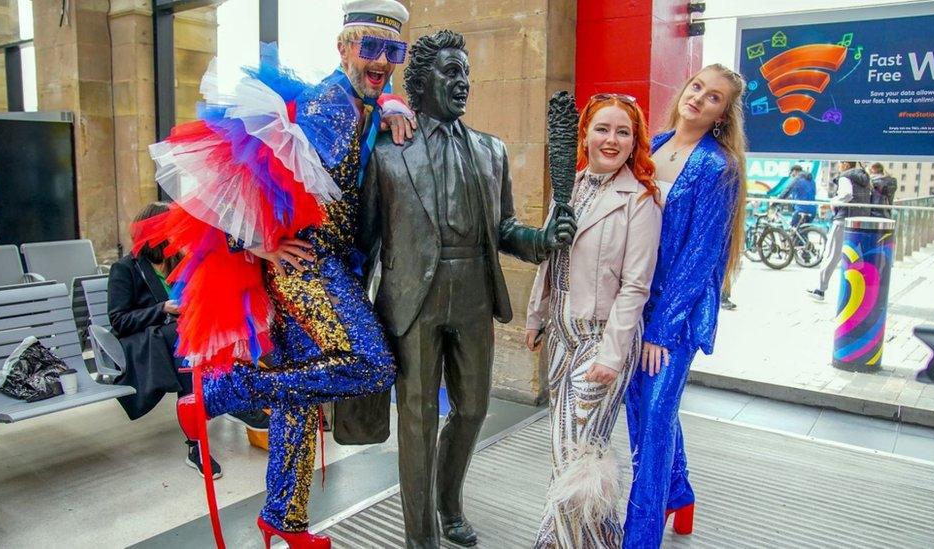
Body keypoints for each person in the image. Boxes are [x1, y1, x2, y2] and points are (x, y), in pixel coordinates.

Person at [134, 2, 414, 547]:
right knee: (373, 364)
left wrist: (393, 101)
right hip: (308, 266)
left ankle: (283, 518)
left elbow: (375, 107)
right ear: (343, 47)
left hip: (322, 265)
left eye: (392, 51)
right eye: (370, 46)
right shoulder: (324, 103)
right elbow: (237, 178)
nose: (381, 60)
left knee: (301, 397)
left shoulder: (365, 101)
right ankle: (225, 390)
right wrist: (259, 244)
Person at [336, 30, 576, 549]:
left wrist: (541, 240)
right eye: (451, 72)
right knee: (418, 423)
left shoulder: (492, 151)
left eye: (466, 72)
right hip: (409, 303)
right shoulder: (384, 154)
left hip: (472, 294)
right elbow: (365, 243)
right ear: (420, 83)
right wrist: (346, 317)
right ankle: (420, 538)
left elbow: (506, 228)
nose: (463, 81)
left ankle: (448, 505)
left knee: (472, 410)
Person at [525, 93, 661, 548]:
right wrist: (535, 316)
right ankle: (599, 541)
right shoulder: (573, 184)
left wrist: (613, 354)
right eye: (603, 128)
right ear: (585, 133)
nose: (611, 139)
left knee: (574, 455)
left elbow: (635, 286)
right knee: (571, 454)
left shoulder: (640, 201)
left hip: (601, 339)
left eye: (623, 131)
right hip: (561, 335)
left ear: (634, 141)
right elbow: (550, 258)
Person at [622, 64, 747, 548]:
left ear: (722, 115)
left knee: (652, 427)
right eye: (697, 87)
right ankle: (681, 491)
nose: (699, 98)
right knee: (644, 413)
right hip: (635, 305)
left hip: (674, 317)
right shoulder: (651, 146)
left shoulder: (718, 167)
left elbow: (701, 257)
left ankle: (640, 538)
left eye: (714, 97)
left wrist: (661, 330)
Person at [111, 203, 269, 479]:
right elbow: (119, 320)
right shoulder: (126, 268)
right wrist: (163, 309)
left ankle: (229, 403)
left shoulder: (180, 261)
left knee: (222, 332)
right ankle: (213, 426)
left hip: (182, 336)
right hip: (146, 341)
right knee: (187, 346)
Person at [807, 160, 871, 302]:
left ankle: (820, 289)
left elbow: (846, 195)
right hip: (860, 220)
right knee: (856, 256)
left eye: (840, 163)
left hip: (844, 219)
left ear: (846, 164)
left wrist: (832, 202)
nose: (838, 165)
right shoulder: (864, 178)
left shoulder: (845, 177)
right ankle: (859, 293)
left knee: (831, 254)